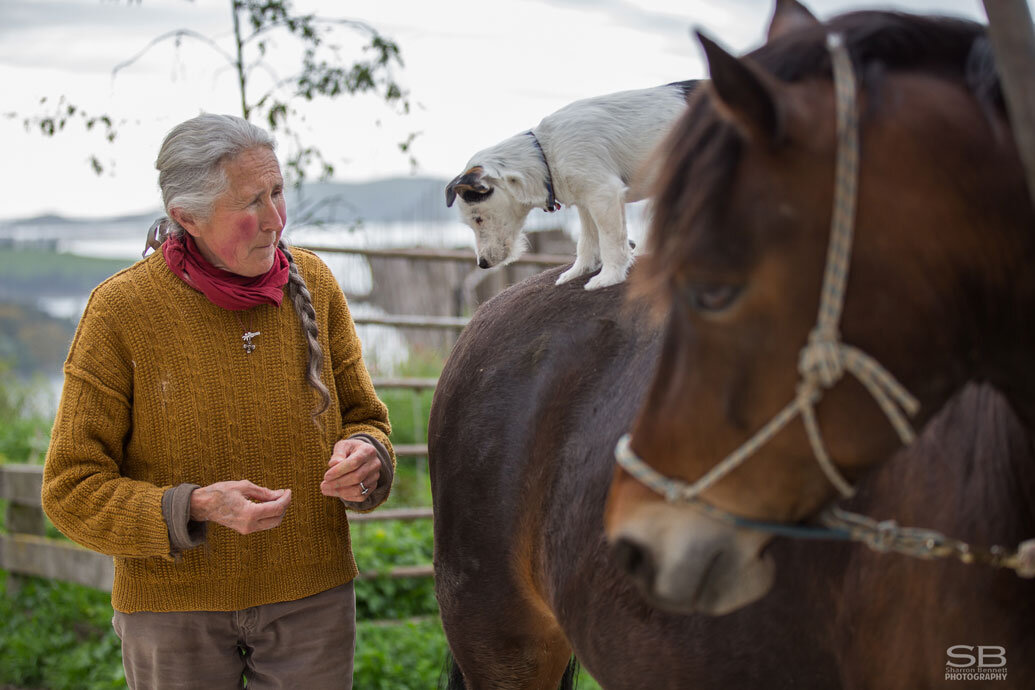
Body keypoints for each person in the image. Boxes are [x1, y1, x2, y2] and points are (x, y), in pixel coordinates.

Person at [41, 113, 395, 690]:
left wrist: (367, 456)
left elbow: (366, 419)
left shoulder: (318, 285)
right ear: (187, 218)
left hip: (312, 601)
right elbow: (70, 490)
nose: (276, 220)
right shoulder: (121, 312)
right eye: (251, 203)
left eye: (278, 192)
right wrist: (196, 506)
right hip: (173, 614)